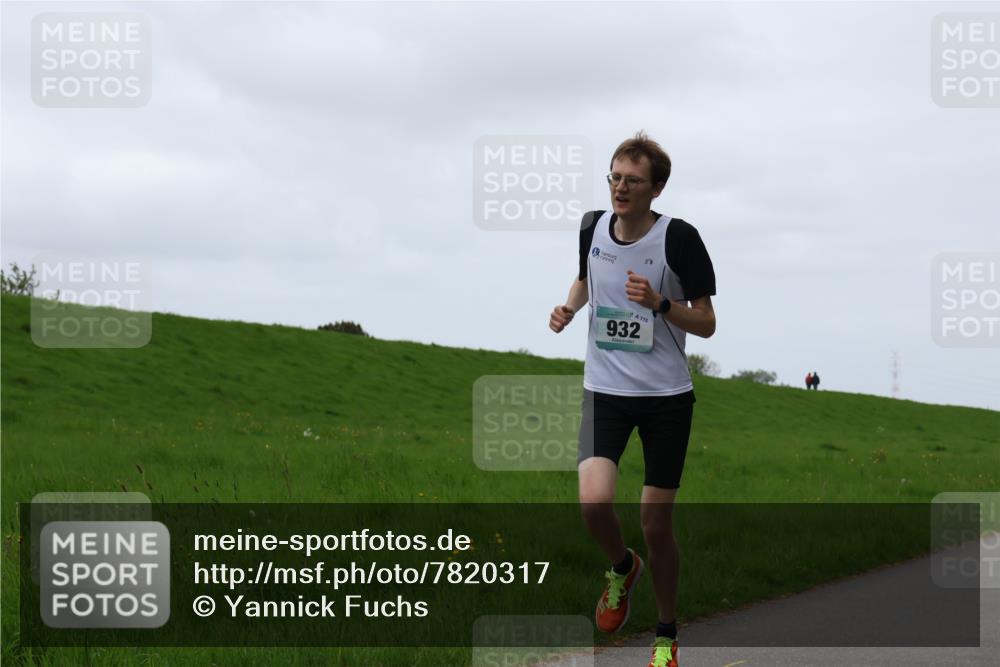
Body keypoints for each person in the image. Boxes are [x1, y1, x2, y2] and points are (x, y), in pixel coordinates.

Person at [549, 131, 716, 667]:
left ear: (656, 189)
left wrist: (662, 304)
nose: (621, 188)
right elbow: (585, 278)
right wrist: (569, 307)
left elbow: (707, 322)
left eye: (633, 181)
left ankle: (666, 635)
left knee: (655, 524)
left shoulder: (679, 239)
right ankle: (622, 567)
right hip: (605, 392)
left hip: (666, 398)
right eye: (615, 178)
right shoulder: (592, 226)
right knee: (593, 503)